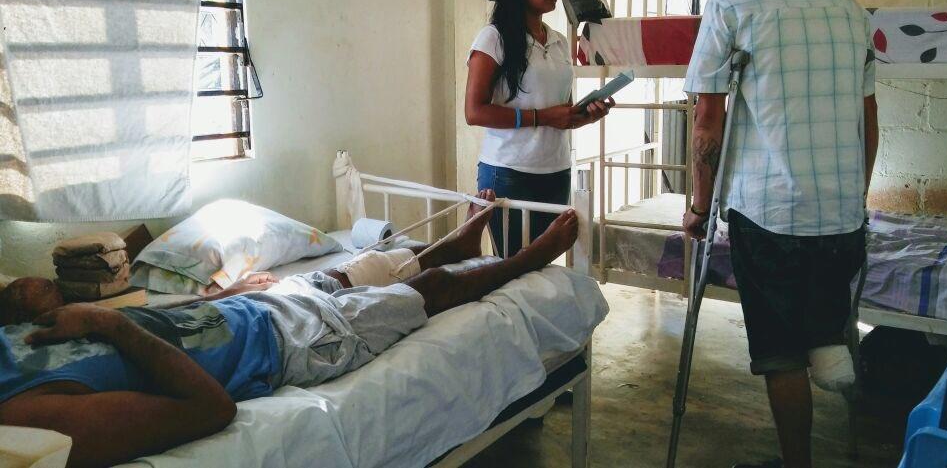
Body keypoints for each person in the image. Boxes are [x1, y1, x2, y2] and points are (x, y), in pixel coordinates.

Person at [0, 191, 580, 468]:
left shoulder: (11, 345)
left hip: (256, 308)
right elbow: (210, 410)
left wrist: (221, 297)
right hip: (287, 346)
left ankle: (453, 247)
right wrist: (106, 321)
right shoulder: (30, 416)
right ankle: (526, 261)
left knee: (350, 271)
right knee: (425, 293)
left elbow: (143, 325)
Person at [680, 0, 879, 468]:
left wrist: (698, 207)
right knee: (820, 320)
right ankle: (829, 348)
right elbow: (868, 121)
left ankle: (798, 462)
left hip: (770, 216)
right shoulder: (850, 10)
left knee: (779, 354)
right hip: (842, 217)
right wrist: (855, 196)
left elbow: (707, 122)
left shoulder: (730, 6)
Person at [466, 0, 614, 257]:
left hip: (555, 170)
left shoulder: (558, 42)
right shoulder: (493, 39)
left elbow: (561, 113)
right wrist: (543, 117)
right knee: (514, 267)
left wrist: (586, 115)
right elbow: (474, 112)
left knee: (544, 265)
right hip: (509, 172)